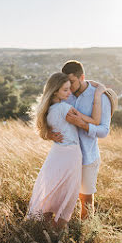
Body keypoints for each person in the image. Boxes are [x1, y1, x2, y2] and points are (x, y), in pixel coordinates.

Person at [27, 72, 106, 229]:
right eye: (65, 90)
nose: (69, 93)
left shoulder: (46, 110)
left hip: (56, 154)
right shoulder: (65, 108)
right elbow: (96, 121)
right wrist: (98, 94)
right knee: (69, 193)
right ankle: (58, 231)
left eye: (69, 89)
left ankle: (44, 228)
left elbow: (43, 131)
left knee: (52, 189)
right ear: (55, 91)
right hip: (70, 154)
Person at [48, 60, 114, 220]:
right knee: (58, 197)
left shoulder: (99, 97)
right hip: (65, 156)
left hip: (87, 156)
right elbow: (50, 117)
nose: (68, 87)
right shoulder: (63, 94)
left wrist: (82, 125)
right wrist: (49, 134)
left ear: (82, 77)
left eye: (72, 82)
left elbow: (104, 131)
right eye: (66, 82)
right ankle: (57, 230)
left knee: (85, 199)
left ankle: (84, 232)